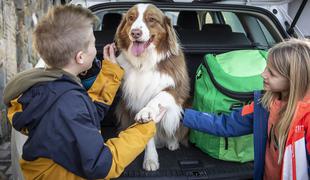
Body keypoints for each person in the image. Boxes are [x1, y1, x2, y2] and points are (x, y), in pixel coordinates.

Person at [3, 5, 165, 179]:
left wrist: (110, 73)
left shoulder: (53, 88)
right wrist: (145, 127)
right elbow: (101, 165)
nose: (96, 49)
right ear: (80, 57)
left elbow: (87, 111)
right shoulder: (66, 104)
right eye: (94, 44)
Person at [182, 38, 310, 180]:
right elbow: (225, 124)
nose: (263, 74)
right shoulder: (263, 106)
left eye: (272, 73)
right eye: (266, 67)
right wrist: (181, 114)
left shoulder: (306, 118)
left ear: (294, 79)